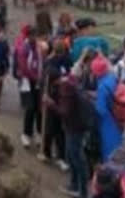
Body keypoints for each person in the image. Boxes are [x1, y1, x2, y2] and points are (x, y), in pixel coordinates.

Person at [45, 72, 90, 198]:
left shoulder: (66, 90)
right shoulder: (73, 86)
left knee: (76, 158)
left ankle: (82, 191)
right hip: (75, 127)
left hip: (74, 129)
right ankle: (74, 185)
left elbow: (64, 112)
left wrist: (51, 104)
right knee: (71, 156)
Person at [40, 40, 71, 171]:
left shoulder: (65, 60)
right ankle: (47, 153)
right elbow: (45, 80)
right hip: (51, 99)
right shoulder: (49, 63)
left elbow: (69, 72)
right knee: (49, 128)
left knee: (59, 130)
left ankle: (61, 157)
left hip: (61, 99)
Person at [16, 26, 43, 148]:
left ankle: (39, 133)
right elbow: (23, 67)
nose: (35, 38)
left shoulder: (38, 48)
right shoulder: (24, 49)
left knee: (39, 108)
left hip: (38, 81)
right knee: (30, 108)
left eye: (36, 36)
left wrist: (40, 77)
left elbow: (41, 62)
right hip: (27, 81)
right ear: (28, 36)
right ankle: (26, 134)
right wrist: (35, 77)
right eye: (33, 36)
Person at [92, 55, 122, 162]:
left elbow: (101, 110)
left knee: (108, 149)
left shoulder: (102, 87)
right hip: (117, 118)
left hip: (107, 122)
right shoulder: (112, 78)